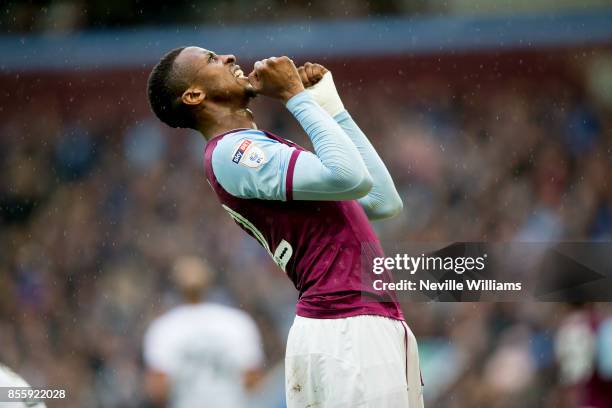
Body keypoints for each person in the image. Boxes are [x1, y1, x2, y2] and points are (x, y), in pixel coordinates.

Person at [147, 47, 424, 407]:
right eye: (212, 59)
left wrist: (328, 106)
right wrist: (295, 97)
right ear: (194, 95)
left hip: (354, 322)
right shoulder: (235, 152)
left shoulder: (253, 148)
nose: (230, 57)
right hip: (345, 324)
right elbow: (350, 176)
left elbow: (382, 200)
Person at [143, 256, 264, 408]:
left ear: (176, 285)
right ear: (209, 283)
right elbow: (253, 380)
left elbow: (158, 389)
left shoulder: (164, 328)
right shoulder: (237, 322)